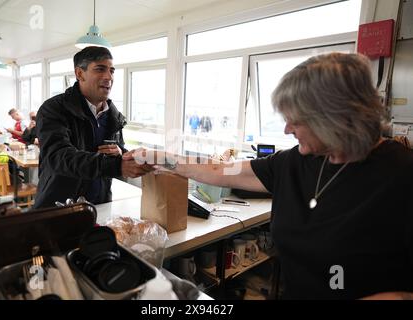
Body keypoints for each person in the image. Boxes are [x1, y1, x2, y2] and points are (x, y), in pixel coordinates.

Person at [127, 53, 413, 300]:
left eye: (295, 120)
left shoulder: (401, 175)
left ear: (333, 119)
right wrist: (159, 157)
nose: (287, 129)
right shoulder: (294, 162)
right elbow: (218, 169)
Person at [34, 46, 152, 209]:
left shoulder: (113, 116)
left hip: (100, 207)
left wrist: (123, 155)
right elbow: (58, 157)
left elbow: (115, 154)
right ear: (79, 74)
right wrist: (117, 165)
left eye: (112, 71)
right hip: (58, 208)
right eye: (100, 69)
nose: (108, 77)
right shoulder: (54, 109)